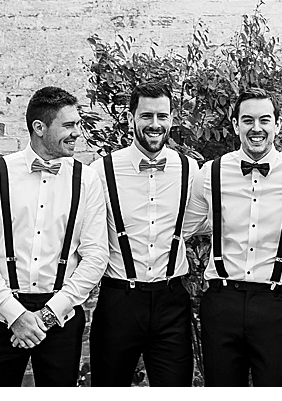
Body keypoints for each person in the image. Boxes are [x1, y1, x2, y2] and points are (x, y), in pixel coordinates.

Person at [0, 86, 109, 387]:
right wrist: (15, 314)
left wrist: (47, 316)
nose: (77, 133)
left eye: (78, 124)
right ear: (39, 128)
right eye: (68, 125)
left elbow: (96, 256)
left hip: (61, 317)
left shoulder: (87, 179)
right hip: (2, 314)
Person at [182, 87, 282, 387]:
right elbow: (184, 227)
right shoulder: (211, 174)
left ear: (278, 125)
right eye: (247, 120)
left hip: (277, 305)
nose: (256, 129)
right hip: (222, 302)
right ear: (235, 125)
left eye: (264, 120)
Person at [89, 82, 200, 387]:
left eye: (162, 116)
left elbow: (197, 222)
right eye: (146, 116)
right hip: (119, 300)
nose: (155, 124)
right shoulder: (101, 171)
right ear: (130, 118)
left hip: (171, 300)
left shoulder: (190, 170)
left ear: (172, 119)